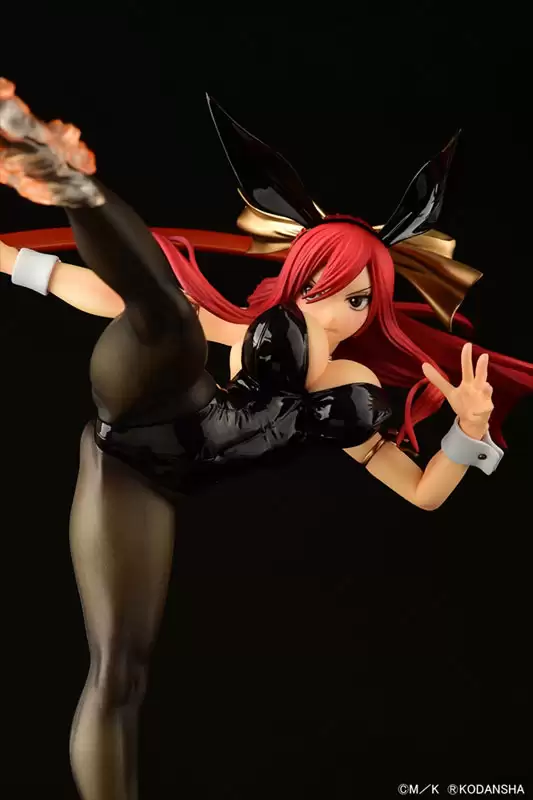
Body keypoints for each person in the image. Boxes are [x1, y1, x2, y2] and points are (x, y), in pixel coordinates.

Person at [1, 78, 532, 800]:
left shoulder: (355, 391)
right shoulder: (258, 327)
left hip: (145, 482)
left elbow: (420, 492)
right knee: (168, 314)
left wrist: (467, 433)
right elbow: (127, 301)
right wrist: (15, 263)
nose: (334, 310)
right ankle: (69, 182)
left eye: (355, 297)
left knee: (120, 672)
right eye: (317, 285)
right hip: (153, 405)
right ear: (297, 277)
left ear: (373, 302)